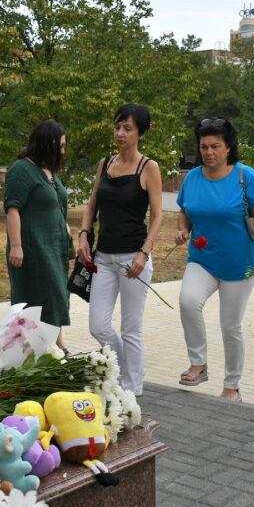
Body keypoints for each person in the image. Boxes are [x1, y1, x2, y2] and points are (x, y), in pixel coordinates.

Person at [175, 117, 254, 403]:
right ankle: (198, 364)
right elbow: (184, 211)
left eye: (215, 146)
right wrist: (182, 229)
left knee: (230, 326)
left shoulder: (245, 176)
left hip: (239, 264)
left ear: (228, 147)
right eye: (204, 146)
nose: (208, 152)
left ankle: (232, 386)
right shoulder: (192, 178)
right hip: (202, 259)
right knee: (188, 301)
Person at [78, 104, 163, 396]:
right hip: (103, 257)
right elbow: (92, 205)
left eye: (127, 128)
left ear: (142, 132)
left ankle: (132, 388)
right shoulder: (105, 163)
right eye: (117, 127)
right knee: (98, 326)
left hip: (133, 259)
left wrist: (144, 252)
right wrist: (83, 235)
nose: (120, 133)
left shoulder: (148, 167)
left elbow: (158, 215)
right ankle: (128, 368)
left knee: (131, 328)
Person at [4, 120, 72, 350]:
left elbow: (56, 206)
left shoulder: (48, 171)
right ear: (46, 143)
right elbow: (13, 209)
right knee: (39, 296)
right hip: (32, 248)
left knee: (56, 294)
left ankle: (54, 344)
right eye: (60, 146)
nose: (62, 152)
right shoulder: (21, 169)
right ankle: (44, 347)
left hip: (54, 247)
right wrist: (16, 246)